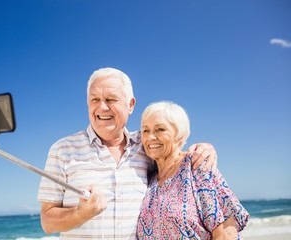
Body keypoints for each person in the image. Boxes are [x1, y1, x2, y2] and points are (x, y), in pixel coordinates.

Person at [37, 67, 218, 239]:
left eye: (110, 99)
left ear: (130, 105)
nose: (101, 107)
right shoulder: (62, 150)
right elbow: (47, 222)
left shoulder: (146, 144)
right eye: (94, 100)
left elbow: (174, 156)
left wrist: (204, 148)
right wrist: (81, 213)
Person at [137, 101, 249, 239]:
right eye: (145, 130)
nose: (150, 137)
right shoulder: (149, 178)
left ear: (179, 134)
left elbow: (226, 233)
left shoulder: (197, 167)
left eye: (160, 129)